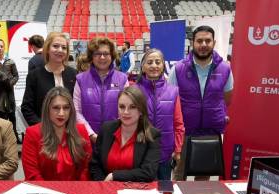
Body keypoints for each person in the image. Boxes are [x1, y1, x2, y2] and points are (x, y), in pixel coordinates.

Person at [168, 25, 234, 180]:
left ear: (214, 43)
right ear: (192, 43)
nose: (203, 45)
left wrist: (214, 113)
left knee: (204, 176)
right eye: (199, 41)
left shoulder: (225, 68)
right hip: (184, 131)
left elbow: (227, 98)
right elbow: (170, 99)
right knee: (179, 174)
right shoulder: (178, 69)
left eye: (207, 41)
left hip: (211, 131)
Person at [90, 86, 161, 182]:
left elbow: (148, 172)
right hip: (107, 189)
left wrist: (114, 176)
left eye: (132, 107)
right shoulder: (106, 129)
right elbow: (95, 165)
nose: (126, 112)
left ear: (141, 110)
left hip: (138, 191)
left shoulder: (152, 135)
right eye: (122, 107)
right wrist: (103, 185)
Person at [22, 87, 92, 180]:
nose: (61, 113)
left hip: (77, 190)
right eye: (56, 108)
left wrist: (79, 190)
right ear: (47, 109)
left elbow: (86, 168)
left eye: (66, 108)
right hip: (44, 191)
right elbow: (32, 174)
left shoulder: (81, 130)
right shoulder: (32, 133)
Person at [135, 49, 185, 180]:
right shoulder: (134, 90)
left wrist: (178, 150)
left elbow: (178, 123)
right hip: (140, 151)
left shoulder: (173, 91)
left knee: (163, 190)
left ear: (163, 66)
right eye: (149, 62)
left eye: (158, 62)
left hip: (165, 153)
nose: (154, 66)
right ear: (143, 67)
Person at [73, 37, 129, 144]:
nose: (102, 57)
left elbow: (127, 109)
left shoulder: (122, 79)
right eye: (97, 54)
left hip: (116, 139)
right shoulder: (80, 79)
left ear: (111, 56)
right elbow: (76, 111)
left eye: (106, 53)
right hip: (87, 140)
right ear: (91, 57)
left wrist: (114, 132)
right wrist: (91, 134)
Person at [21, 32, 77, 126]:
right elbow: (27, 108)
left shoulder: (74, 74)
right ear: (47, 49)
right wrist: (42, 128)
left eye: (64, 47)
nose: (60, 50)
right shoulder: (34, 76)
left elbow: (77, 106)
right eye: (55, 46)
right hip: (43, 133)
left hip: (69, 131)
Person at [0, 38, 20, 143]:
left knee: (12, 115)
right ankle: (2, 140)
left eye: (1, 46)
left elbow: (16, 76)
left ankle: (15, 137)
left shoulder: (10, 61)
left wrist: (10, 84)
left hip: (9, 93)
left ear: (4, 47)